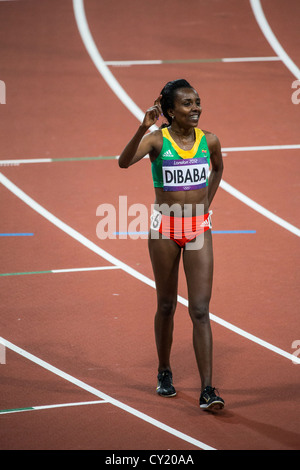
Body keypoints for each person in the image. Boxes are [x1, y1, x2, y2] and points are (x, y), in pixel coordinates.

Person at [118, 79, 225, 411]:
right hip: (165, 229)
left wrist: (205, 202)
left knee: (200, 310)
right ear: (169, 111)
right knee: (166, 305)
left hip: (198, 229)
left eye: (197, 102)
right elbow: (123, 162)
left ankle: (208, 389)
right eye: (187, 104)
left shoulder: (210, 140)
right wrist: (141, 127)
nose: (196, 109)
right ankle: (165, 371)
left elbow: (218, 168)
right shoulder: (155, 140)